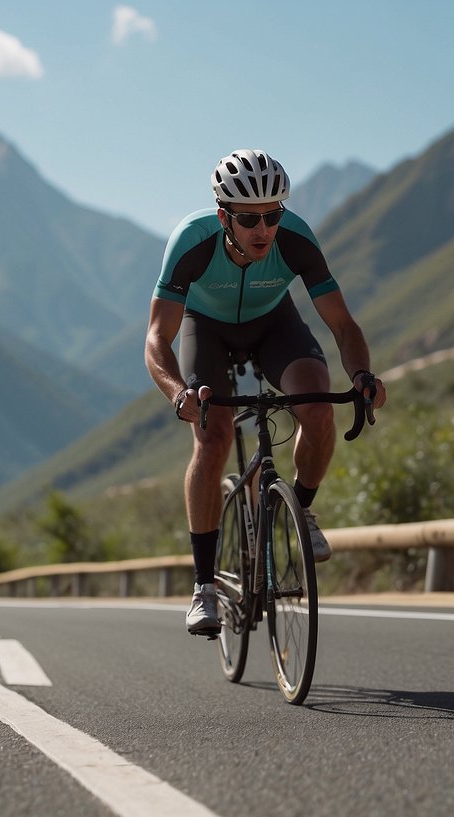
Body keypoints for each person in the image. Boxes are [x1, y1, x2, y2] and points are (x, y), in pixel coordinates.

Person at [144, 149, 387, 637]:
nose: (263, 230)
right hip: (204, 328)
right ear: (223, 216)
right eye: (249, 218)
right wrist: (178, 395)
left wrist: (362, 374)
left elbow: (341, 323)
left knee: (317, 408)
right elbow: (156, 338)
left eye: (273, 215)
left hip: (274, 324)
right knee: (210, 440)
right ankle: (204, 586)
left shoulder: (295, 240)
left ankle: (298, 513)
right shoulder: (192, 243)